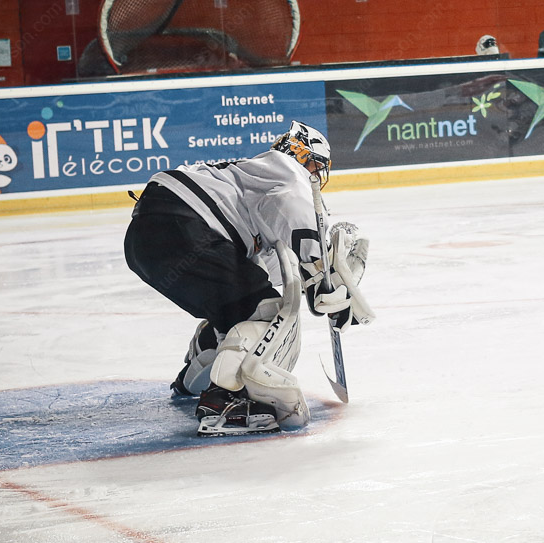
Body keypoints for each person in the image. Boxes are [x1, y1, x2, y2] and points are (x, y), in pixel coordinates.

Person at [124, 121, 373, 435]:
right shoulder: (286, 170)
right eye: (315, 166)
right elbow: (297, 208)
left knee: (241, 304)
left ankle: (199, 367)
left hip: (146, 243)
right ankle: (225, 402)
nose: (315, 175)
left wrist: (320, 282)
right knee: (268, 313)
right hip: (184, 228)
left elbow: (271, 269)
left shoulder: (251, 183)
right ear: (306, 158)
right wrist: (323, 276)